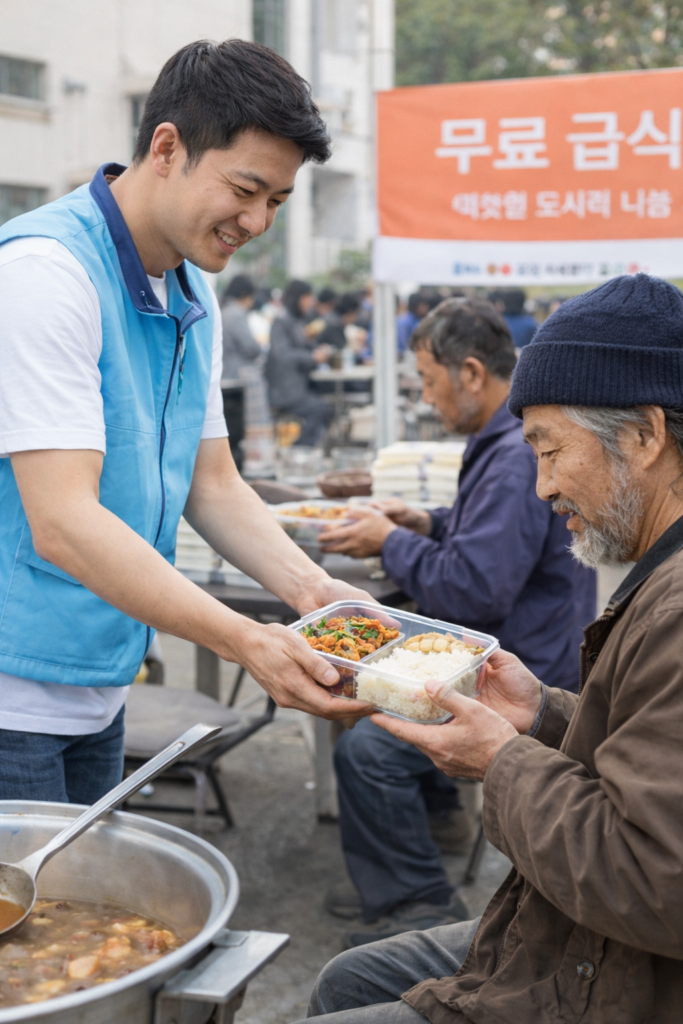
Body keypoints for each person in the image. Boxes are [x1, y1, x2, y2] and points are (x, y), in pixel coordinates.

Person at [299, 273, 683, 1024]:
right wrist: (540, 714)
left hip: (620, 973)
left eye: (549, 450)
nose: (540, 487)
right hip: (585, 936)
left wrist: (499, 763)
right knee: (347, 981)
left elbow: (651, 879)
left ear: (643, 436)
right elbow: (643, 754)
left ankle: (413, 892)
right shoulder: (658, 572)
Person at [0, 38, 374, 806]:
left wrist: (315, 595)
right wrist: (247, 641)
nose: (257, 220)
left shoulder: (186, 292)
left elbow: (214, 483)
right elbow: (63, 521)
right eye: (245, 188)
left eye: (275, 201)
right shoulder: (46, 274)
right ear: (165, 147)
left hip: (98, 676)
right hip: (13, 691)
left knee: (78, 912)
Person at [317, 297, 596, 945]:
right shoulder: (500, 442)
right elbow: (486, 543)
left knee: (366, 747)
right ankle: (441, 825)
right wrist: (426, 522)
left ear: (470, 373)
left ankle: (417, 907)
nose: (426, 395)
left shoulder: (509, 457)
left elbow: (474, 589)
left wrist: (389, 542)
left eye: (427, 381)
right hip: (528, 641)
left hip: (520, 665)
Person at [266, 279, 334, 446]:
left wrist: (316, 347)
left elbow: (301, 347)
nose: (311, 302)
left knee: (327, 405)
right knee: (321, 409)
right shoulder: (281, 321)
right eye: (307, 297)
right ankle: (300, 450)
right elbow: (283, 355)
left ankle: (304, 449)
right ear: (297, 298)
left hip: (299, 386)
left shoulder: (296, 320)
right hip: (285, 390)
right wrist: (312, 357)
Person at [220, 273, 261, 381]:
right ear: (245, 295)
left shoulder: (223, 310)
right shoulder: (236, 314)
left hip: (223, 371)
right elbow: (251, 348)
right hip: (234, 374)